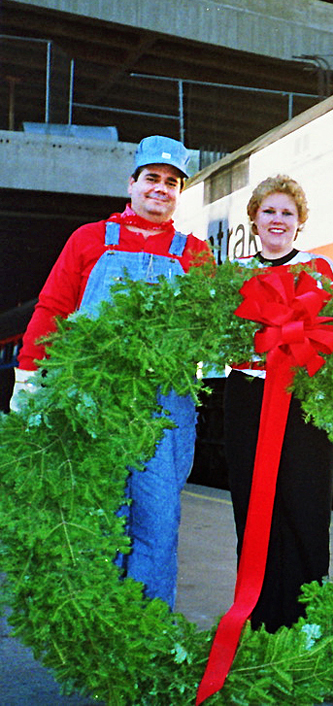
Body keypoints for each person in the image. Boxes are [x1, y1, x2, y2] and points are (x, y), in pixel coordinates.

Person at [12, 135, 211, 609]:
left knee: (157, 521)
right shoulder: (88, 239)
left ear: (179, 192)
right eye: (152, 179)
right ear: (132, 183)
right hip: (90, 402)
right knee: (95, 512)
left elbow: (208, 325)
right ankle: (96, 628)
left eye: (171, 182)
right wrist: (27, 377)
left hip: (162, 409)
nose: (160, 189)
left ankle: (145, 634)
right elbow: (54, 309)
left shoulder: (195, 254)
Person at [224, 174, 333, 632]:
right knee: (254, 507)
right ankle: (259, 619)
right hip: (249, 397)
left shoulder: (318, 270)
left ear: (299, 224)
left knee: (305, 506)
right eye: (269, 211)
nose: (278, 219)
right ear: (254, 219)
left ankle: (305, 621)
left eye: (287, 213)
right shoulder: (233, 275)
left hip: (303, 397)